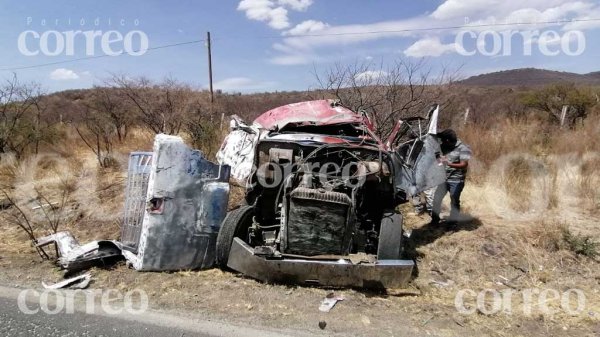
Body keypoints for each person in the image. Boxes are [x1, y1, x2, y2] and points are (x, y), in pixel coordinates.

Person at [431, 129, 471, 224]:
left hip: (456, 180)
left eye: (444, 141)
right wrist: (438, 159)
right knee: (436, 199)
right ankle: (435, 220)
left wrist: (448, 163)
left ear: (448, 140)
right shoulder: (443, 146)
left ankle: (453, 222)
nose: (442, 143)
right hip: (443, 178)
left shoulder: (464, 148)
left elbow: (464, 164)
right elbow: (438, 159)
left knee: (454, 201)